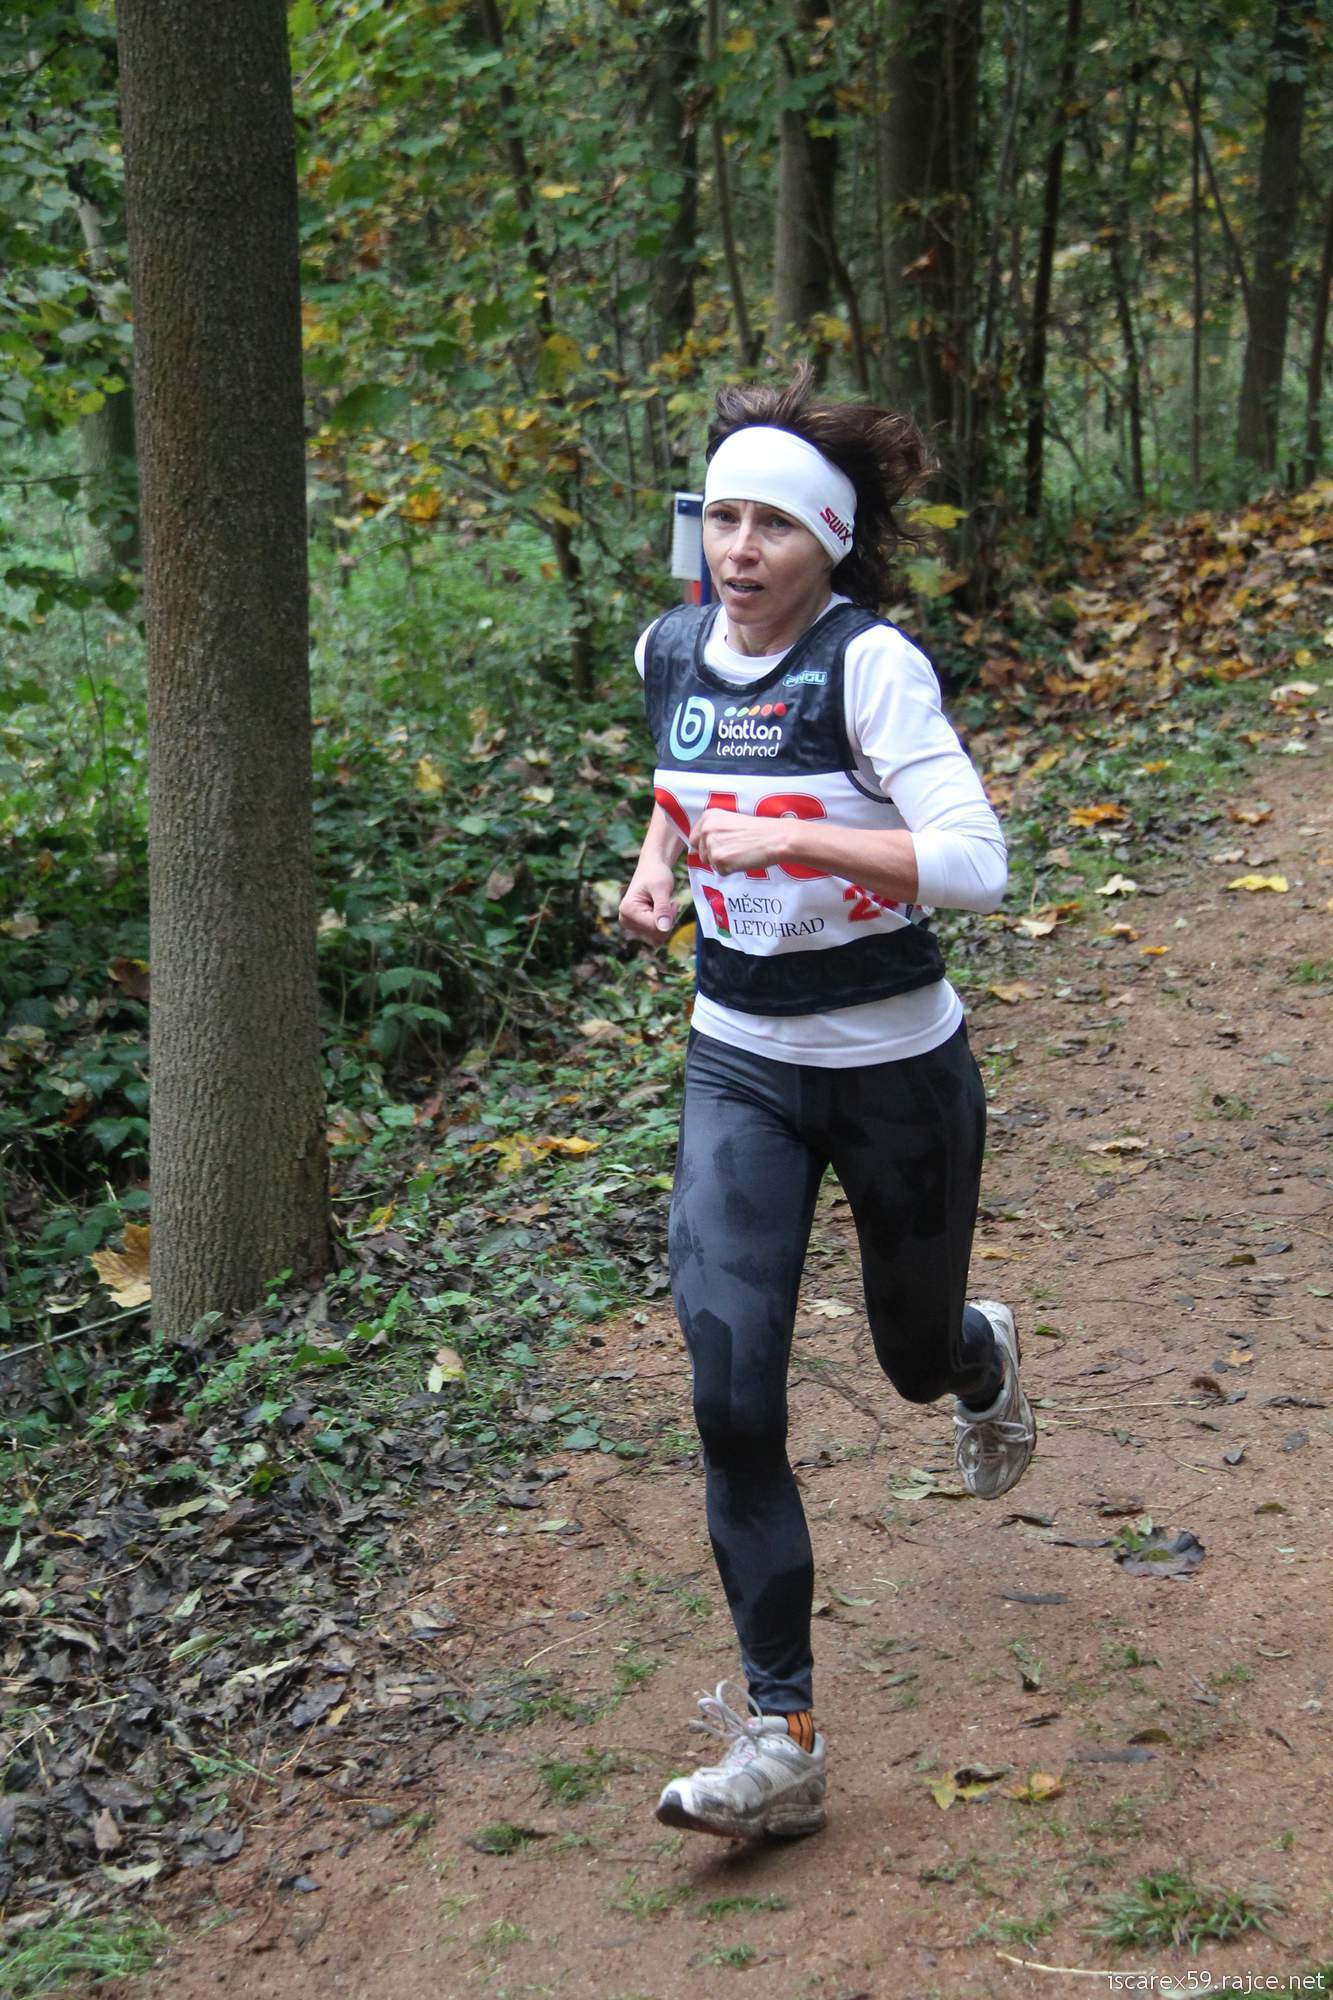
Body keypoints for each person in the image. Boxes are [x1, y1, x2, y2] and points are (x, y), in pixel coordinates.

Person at [618, 368, 1036, 1844]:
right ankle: (779, 1736)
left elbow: (978, 864)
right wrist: (660, 868)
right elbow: (681, 789)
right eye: (723, 519)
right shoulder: (672, 647)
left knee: (909, 1361)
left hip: (894, 1068)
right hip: (737, 1057)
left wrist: (799, 834)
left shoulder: (871, 668)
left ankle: (977, 1354)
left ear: (831, 544)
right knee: (730, 1395)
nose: (739, 550)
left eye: (774, 527)